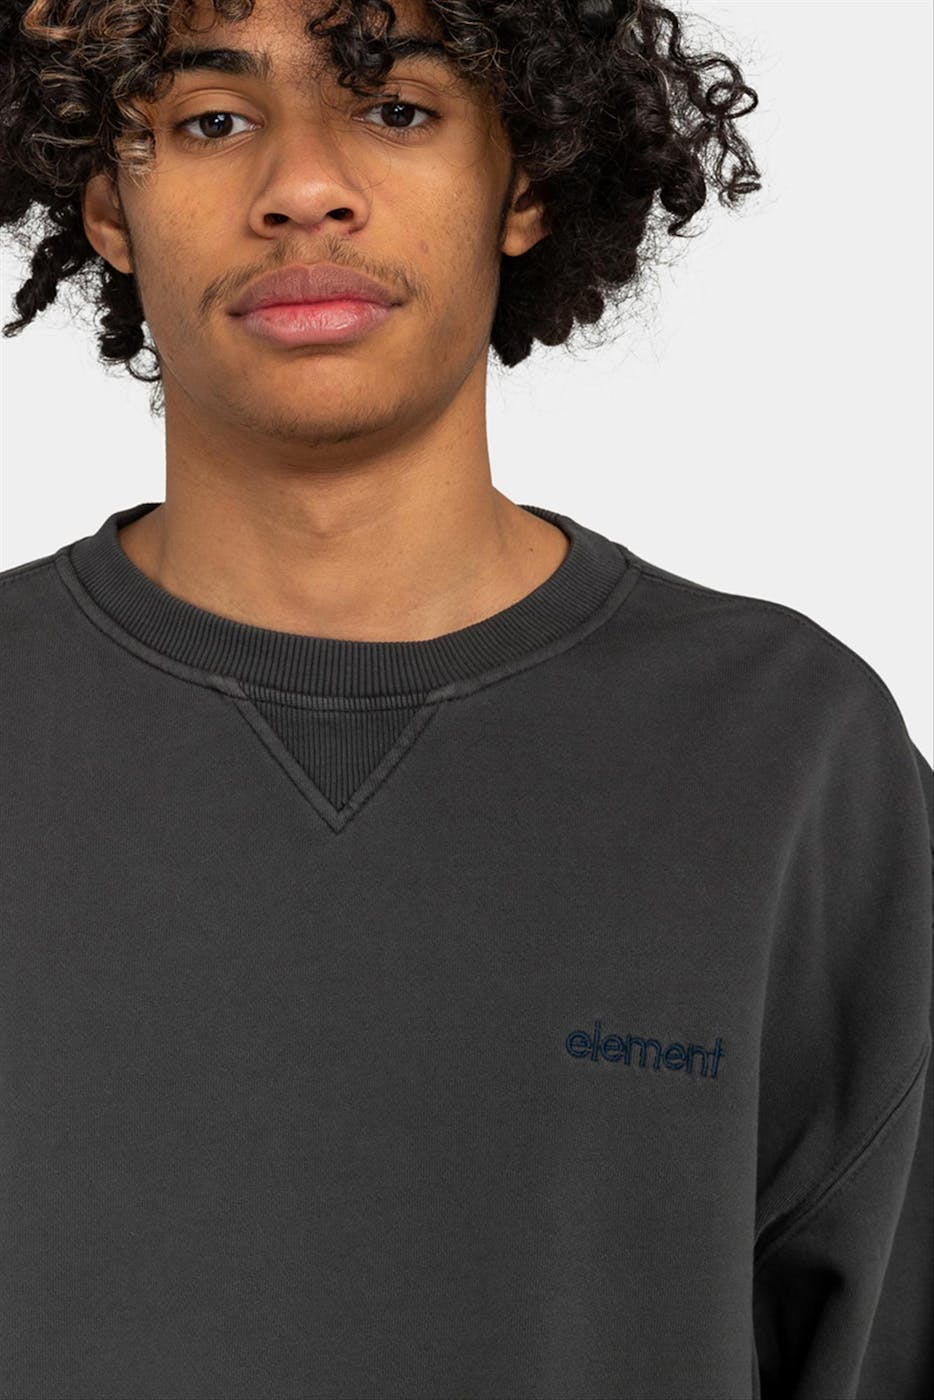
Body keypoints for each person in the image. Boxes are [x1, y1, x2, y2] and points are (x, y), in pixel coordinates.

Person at [1, 0, 930, 1395]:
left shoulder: (786, 755)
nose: (303, 187)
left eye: (396, 109)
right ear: (108, 209)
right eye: (213, 120)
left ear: (525, 182)